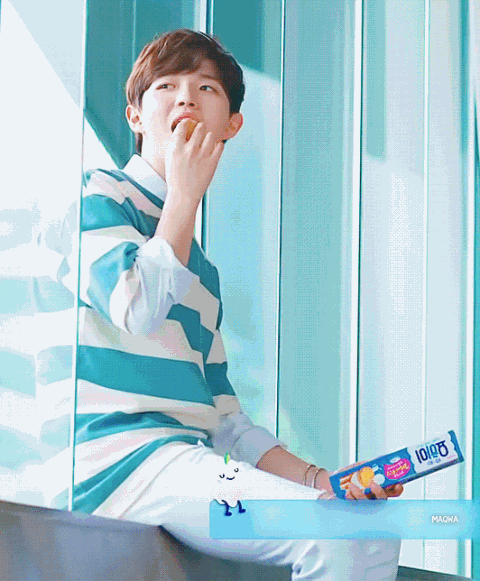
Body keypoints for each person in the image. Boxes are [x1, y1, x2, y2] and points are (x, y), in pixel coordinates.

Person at [73, 28, 404, 580]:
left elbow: (225, 421)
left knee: (367, 529)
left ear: (231, 124)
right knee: (346, 535)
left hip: (183, 464)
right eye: (166, 86)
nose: (185, 97)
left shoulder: (199, 272)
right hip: (117, 464)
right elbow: (135, 306)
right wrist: (185, 193)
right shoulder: (97, 196)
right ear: (135, 117)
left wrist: (322, 482)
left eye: (205, 87)